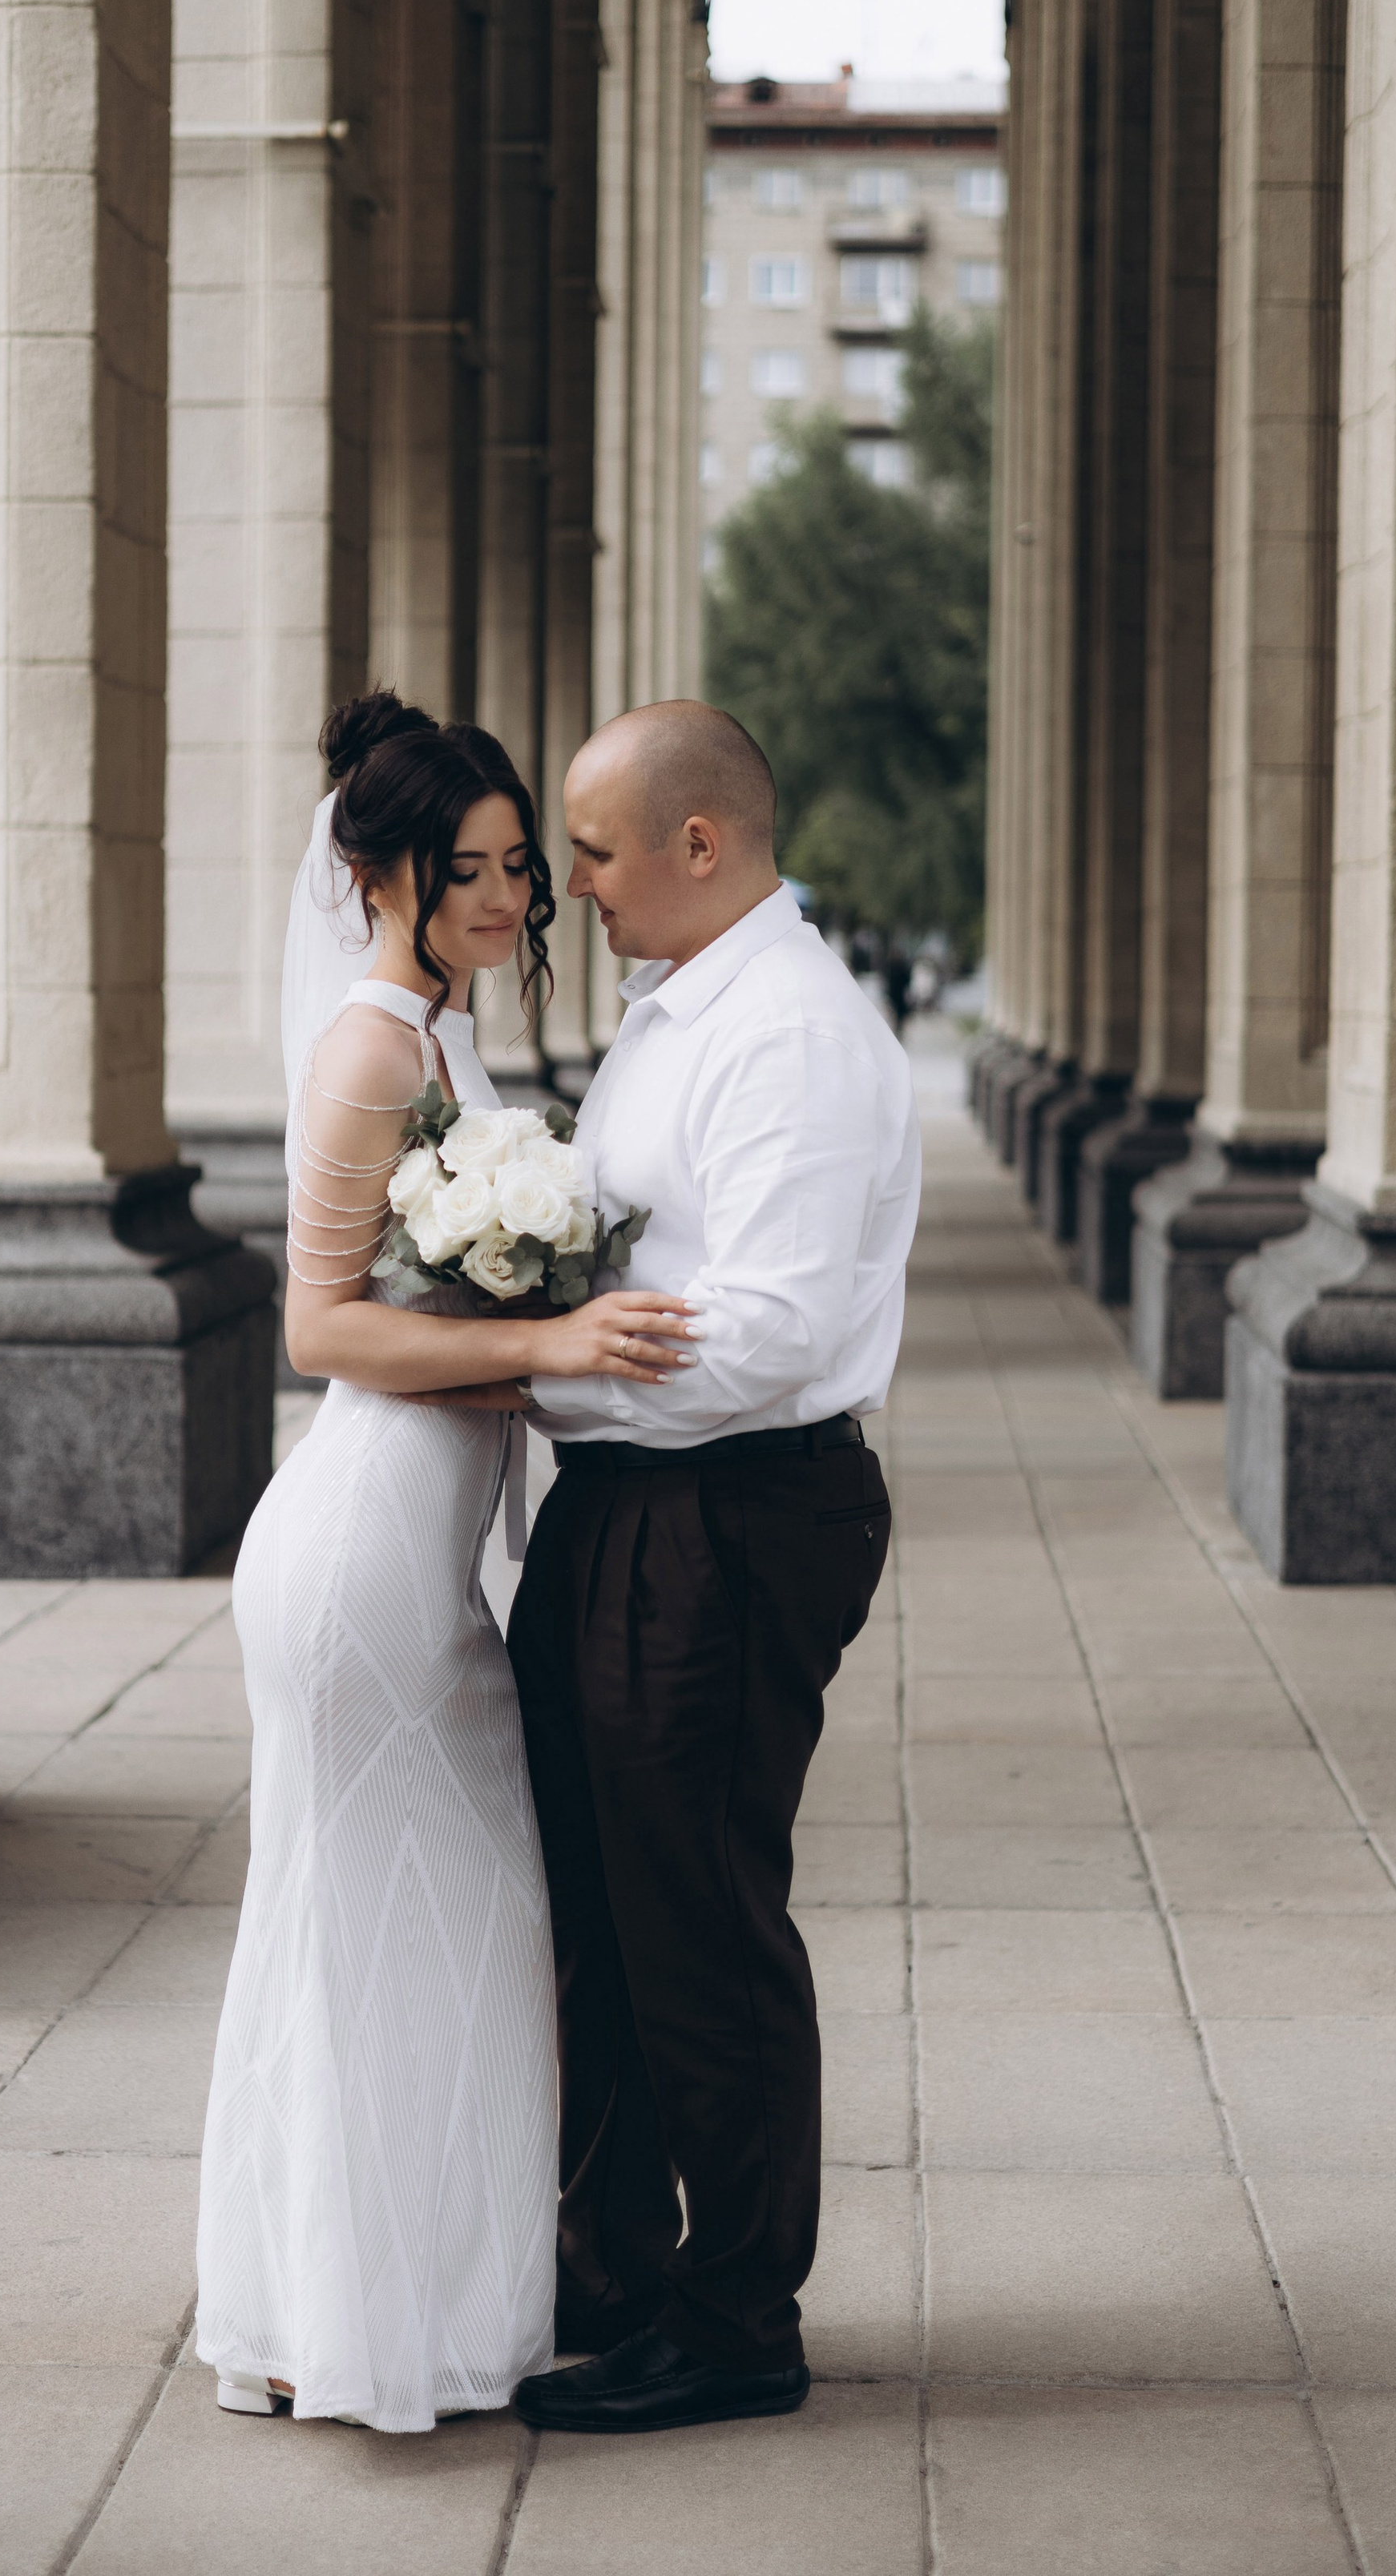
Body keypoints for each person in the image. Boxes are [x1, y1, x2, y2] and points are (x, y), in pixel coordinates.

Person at [193, 692, 696, 2435]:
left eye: (514, 867)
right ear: (373, 875)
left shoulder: (442, 1038)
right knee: (370, 1934)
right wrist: (550, 1343)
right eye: (462, 870)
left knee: (438, 1933)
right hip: (358, 1560)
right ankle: (332, 2324)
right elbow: (320, 1328)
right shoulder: (369, 1053)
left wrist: (545, 1349)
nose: (502, 898)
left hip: (427, 1557)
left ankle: (383, 2306)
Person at [504, 699, 922, 2437]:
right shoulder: (677, 1012)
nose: (570, 886)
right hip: (629, 1504)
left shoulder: (791, 1037)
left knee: (699, 1925)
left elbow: (760, 1337)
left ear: (700, 841)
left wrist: (531, 1376)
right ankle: (608, 2277)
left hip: (731, 1518)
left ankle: (738, 2316)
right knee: (599, 1918)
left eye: (592, 851)